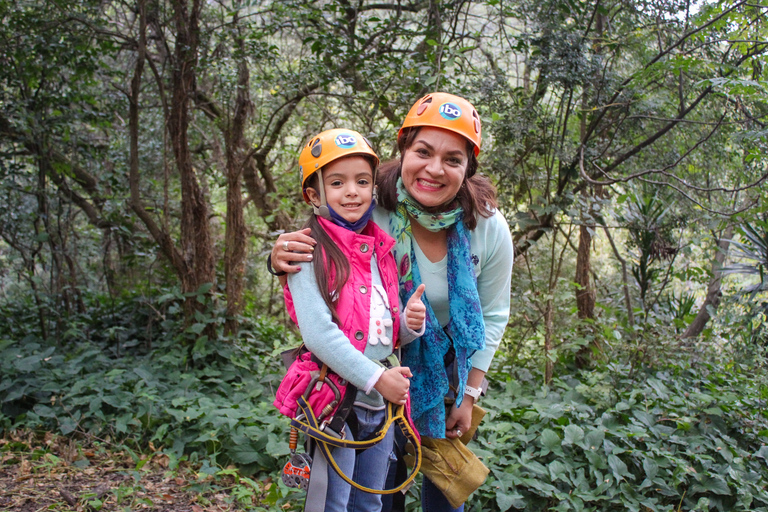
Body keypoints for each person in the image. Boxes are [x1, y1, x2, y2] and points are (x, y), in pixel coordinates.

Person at [271, 94, 514, 511]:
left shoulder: (486, 226)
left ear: (468, 168)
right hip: (374, 367)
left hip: (447, 370)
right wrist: (279, 255)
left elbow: (493, 314)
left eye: (453, 159)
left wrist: (470, 395)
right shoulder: (372, 202)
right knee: (381, 492)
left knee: (443, 488)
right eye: (423, 152)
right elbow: (324, 239)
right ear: (403, 150)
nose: (434, 169)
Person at [272, 128, 427, 512]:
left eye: (362, 181)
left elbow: (383, 333)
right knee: (331, 502)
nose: (353, 192)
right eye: (337, 183)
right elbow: (319, 334)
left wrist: (408, 324)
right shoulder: (307, 252)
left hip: (380, 404)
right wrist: (377, 378)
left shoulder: (380, 249)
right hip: (335, 403)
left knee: (370, 503)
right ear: (314, 194)